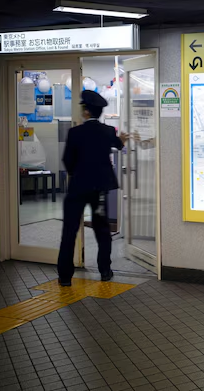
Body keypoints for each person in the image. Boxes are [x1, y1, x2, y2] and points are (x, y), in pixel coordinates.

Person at [57, 90, 128, 286]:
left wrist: (77, 174)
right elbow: (118, 144)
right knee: (102, 231)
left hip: (78, 188)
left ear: (86, 111)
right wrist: (122, 140)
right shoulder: (108, 131)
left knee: (70, 231)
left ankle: (64, 277)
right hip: (100, 190)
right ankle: (105, 270)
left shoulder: (74, 132)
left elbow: (67, 160)